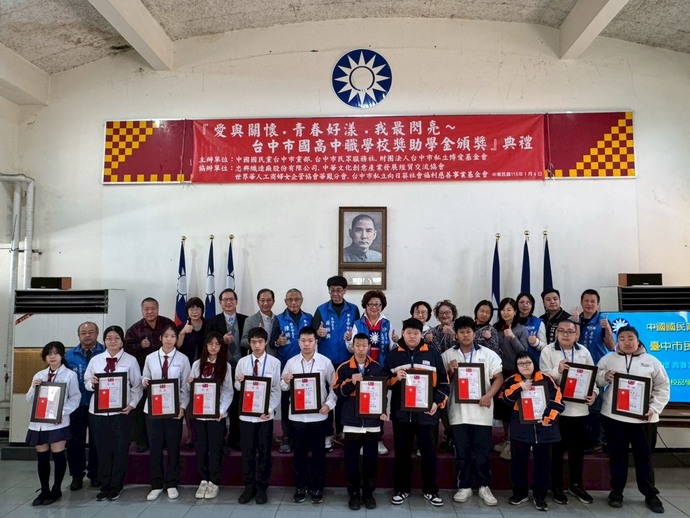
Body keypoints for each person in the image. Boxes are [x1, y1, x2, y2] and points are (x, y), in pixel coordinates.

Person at [597, 326, 670, 513]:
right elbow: (595, 381)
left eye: (630, 338)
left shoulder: (652, 361)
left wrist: (654, 408)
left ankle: (650, 494)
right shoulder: (608, 359)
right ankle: (616, 492)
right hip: (614, 418)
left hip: (644, 420)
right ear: (617, 341)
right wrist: (605, 376)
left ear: (638, 340)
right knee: (617, 456)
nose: (627, 342)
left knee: (644, 458)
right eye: (622, 339)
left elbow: (663, 387)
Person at [386, 318, 449, 507]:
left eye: (416, 333)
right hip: (401, 415)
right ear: (403, 333)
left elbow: (443, 383)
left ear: (421, 334)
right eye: (408, 333)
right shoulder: (394, 355)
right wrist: (395, 378)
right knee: (402, 453)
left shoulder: (433, 353)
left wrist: (436, 403)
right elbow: (383, 382)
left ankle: (430, 490)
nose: (412, 336)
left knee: (429, 453)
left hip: (427, 415)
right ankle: (401, 489)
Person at [442, 316, 503, 507]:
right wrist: (450, 371)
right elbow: (441, 383)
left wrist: (489, 396)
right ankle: (464, 486)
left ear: (474, 333)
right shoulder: (447, 355)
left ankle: (484, 486)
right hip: (458, 412)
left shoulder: (488, 354)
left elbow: (499, 377)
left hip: (482, 411)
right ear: (456, 335)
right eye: (461, 332)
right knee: (462, 451)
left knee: (483, 451)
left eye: (468, 331)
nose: (465, 335)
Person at [539, 319, 597, 505]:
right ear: (556, 333)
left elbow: (593, 377)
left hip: (580, 411)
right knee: (556, 451)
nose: (565, 334)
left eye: (570, 331)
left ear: (576, 335)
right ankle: (556, 486)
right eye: (561, 331)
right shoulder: (548, 351)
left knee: (577, 451)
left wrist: (594, 393)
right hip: (558, 411)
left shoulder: (584, 351)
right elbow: (543, 378)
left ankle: (576, 484)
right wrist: (558, 370)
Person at [501, 351, 565, 512]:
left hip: (544, 427)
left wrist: (548, 417)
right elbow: (506, 400)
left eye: (528, 363)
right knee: (518, 462)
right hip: (520, 428)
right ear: (516, 366)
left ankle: (540, 495)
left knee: (543, 464)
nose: (525, 366)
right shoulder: (511, 381)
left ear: (533, 363)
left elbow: (557, 399)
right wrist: (519, 387)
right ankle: (520, 493)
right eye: (521, 364)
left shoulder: (546, 379)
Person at [84, 325, 143, 501]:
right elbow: (86, 382)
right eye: (109, 338)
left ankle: (116, 485)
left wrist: (132, 405)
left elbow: (137, 386)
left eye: (117, 338)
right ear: (104, 341)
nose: (113, 341)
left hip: (121, 413)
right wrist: (92, 383)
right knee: (102, 449)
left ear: (122, 341)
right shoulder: (96, 360)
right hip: (98, 413)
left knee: (120, 449)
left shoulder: (130, 360)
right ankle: (105, 484)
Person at [281, 326, 336, 504]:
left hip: (318, 417)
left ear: (316, 342)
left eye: (310, 341)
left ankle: (317, 487)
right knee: (299, 455)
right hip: (297, 418)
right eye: (303, 341)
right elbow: (283, 387)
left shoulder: (325, 362)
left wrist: (328, 405)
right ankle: (300, 486)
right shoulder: (291, 362)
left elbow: (334, 386)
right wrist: (286, 380)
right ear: (298, 342)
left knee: (319, 455)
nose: (306, 344)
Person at [334, 333, 389, 510]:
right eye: (357, 345)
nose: (361, 349)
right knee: (351, 460)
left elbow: (383, 393)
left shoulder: (377, 367)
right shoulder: (344, 368)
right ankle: (354, 494)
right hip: (351, 422)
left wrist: (382, 411)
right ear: (352, 346)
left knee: (370, 460)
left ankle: (368, 493)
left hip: (372, 423)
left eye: (364, 346)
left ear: (369, 347)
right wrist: (351, 381)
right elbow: (338, 393)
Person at [26, 341, 81, 506]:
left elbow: (75, 398)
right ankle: (44, 489)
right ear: (45, 357)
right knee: (42, 456)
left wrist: (60, 412)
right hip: (40, 422)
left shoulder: (70, 375)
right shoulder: (39, 375)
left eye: (56, 353)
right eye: (49, 354)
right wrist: (33, 388)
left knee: (58, 455)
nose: (52, 357)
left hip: (58, 422)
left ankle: (56, 488)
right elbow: (30, 399)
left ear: (62, 355)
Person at [141, 325, 191, 501]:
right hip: (153, 409)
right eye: (166, 336)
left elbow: (186, 386)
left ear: (177, 339)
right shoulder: (150, 357)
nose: (169, 339)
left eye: (173, 336)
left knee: (172, 447)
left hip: (173, 410)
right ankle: (156, 484)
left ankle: (171, 483)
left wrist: (182, 407)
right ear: (160, 338)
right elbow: (144, 376)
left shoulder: (183, 359)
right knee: (155, 447)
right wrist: (145, 381)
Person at [312, 275, 360, 450]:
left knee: (344, 397)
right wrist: (318, 333)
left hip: (346, 361)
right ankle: (328, 433)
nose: (335, 294)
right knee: (326, 397)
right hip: (326, 361)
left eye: (339, 290)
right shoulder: (321, 310)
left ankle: (342, 430)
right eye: (332, 290)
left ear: (345, 291)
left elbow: (358, 332)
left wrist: (352, 336)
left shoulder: (353, 309)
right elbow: (312, 335)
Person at [235, 327, 282, 505]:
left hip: (265, 416)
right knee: (247, 452)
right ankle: (249, 487)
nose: (256, 345)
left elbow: (276, 389)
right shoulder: (242, 362)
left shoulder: (274, 363)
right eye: (253, 342)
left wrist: (269, 409)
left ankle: (262, 487)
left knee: (264, 452)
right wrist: (240, 382)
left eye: (260, 342)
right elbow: (237, 387)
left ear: (266, 342)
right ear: (249, 343)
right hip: (246, 416)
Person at [124, 297, 176, 452]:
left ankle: (164, 441)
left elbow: (177, 343)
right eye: (146, 309)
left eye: (153, 308)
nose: (150, 311)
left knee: (165, 408)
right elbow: (126, 349)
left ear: (158, 309)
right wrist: (140, 345)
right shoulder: (135, 329)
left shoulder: (168, 324)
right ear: (142, 310)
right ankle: (141, 441)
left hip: (166, 375)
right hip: (144, 376)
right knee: (141, 408)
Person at [188, 331, 233, 500]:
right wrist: (190, 383)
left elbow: (228, 391)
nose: (213, 347)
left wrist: (221, 411)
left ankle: (214, 481)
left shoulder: (226, 366)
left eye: (217, 344)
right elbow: (191, 389)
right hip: (199, 415)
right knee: (201, 448)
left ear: (221, 347)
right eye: (210, 343)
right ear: (206, 345)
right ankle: (203, 480)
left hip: (216, 416)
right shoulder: (196, 364)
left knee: (215, 449)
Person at [346, 289, 391, 455]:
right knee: (361, 401)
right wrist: (347, 340)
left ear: (382, 306)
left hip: (379, 368)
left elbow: (390, 346)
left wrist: (395, 342)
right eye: (371, 304)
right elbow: (351, 347)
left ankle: (378, 438)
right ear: (365, 305)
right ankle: (360, 438)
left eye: (378, 304)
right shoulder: (358, 324)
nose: (374, 307)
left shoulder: (386, 323)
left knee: (379, 402)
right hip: (361, 368)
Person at [206, 288, 248, 450]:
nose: (228, 302)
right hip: (220, 367)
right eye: (225, 300)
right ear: (220, 303)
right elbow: (206, 342)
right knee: (220, 402)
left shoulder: (245, 320)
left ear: (236, 301)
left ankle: (235, 438)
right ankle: (220, 440)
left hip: (240, 367)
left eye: (231, 299)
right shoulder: (213, 321)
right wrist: (221, 340)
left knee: (238, 404)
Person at [65, 321, 104, 491]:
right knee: (75, 442)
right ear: (78, 335)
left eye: (91, 332)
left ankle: (95, 474)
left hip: (100, 405)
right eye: (83, 332)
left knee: (98, 441)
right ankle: (77, 475)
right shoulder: (68, 356)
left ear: (97, 334)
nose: (87, 335)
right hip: (76, 406)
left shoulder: (106, 353)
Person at [274, 288, 313, 453]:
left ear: (302, 301)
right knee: (286, 401)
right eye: (290, 299)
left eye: (297, 299)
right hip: (287, 366)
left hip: (306, 366)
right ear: (285, 302)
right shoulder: (278, 319)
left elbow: (314, 339)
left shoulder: (309, 318)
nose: (294, 302)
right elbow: (272, 341)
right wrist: (278, 342)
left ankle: (306, 436)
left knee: (307, 401)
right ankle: (287, 435)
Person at [578, 288, 616, 453]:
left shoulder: (602, 321)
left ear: (598, 304)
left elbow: (611, 346)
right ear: (581, 303)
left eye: (593, 301)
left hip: (597, 371)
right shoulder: (575, 320)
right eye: (586, 301)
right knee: (580, 406)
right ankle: (583, 440)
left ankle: (597, 441)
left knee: (596, 407)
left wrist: (607, 329)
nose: (589, 304)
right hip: (578, 371)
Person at [493, 297, 529, 460]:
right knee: (502, 408)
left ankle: (512, 441)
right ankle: (506, 438)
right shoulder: (495, 328)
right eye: (503, 309)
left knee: (513, 409)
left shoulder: (521, 329)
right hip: (498, 373)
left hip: (514, 373)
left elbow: (524, 352)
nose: (506, 313)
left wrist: (513, 337)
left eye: (509, 310)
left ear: (515, 312)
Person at [240, 289, 280, 355]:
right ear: (258, 302)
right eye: (262, 300)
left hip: (275, 358)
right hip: (257, 358)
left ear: (273, 302)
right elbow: (243, 342)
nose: (265, 303)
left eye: (268, 300)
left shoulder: (278, 319)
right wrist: (255, 341)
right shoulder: (250, 320)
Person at [516, 292, 547, 365]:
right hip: (513, 362)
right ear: (517, 304)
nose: (525, 305)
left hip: (532, 363)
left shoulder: (538, 322)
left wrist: (536, 342)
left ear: (532, 306)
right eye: (522, 302)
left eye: (528, 303)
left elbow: (545, 347)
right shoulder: (511, 321)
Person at [176, 297, 208, 363]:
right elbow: (177, 346)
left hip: (205, 361)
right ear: (187, 311)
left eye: (197, 309)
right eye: (191, 309)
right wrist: (183, 332)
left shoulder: (209, 325)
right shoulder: (181, 327)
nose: (194, 312)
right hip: (186, 362)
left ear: (202, 310)